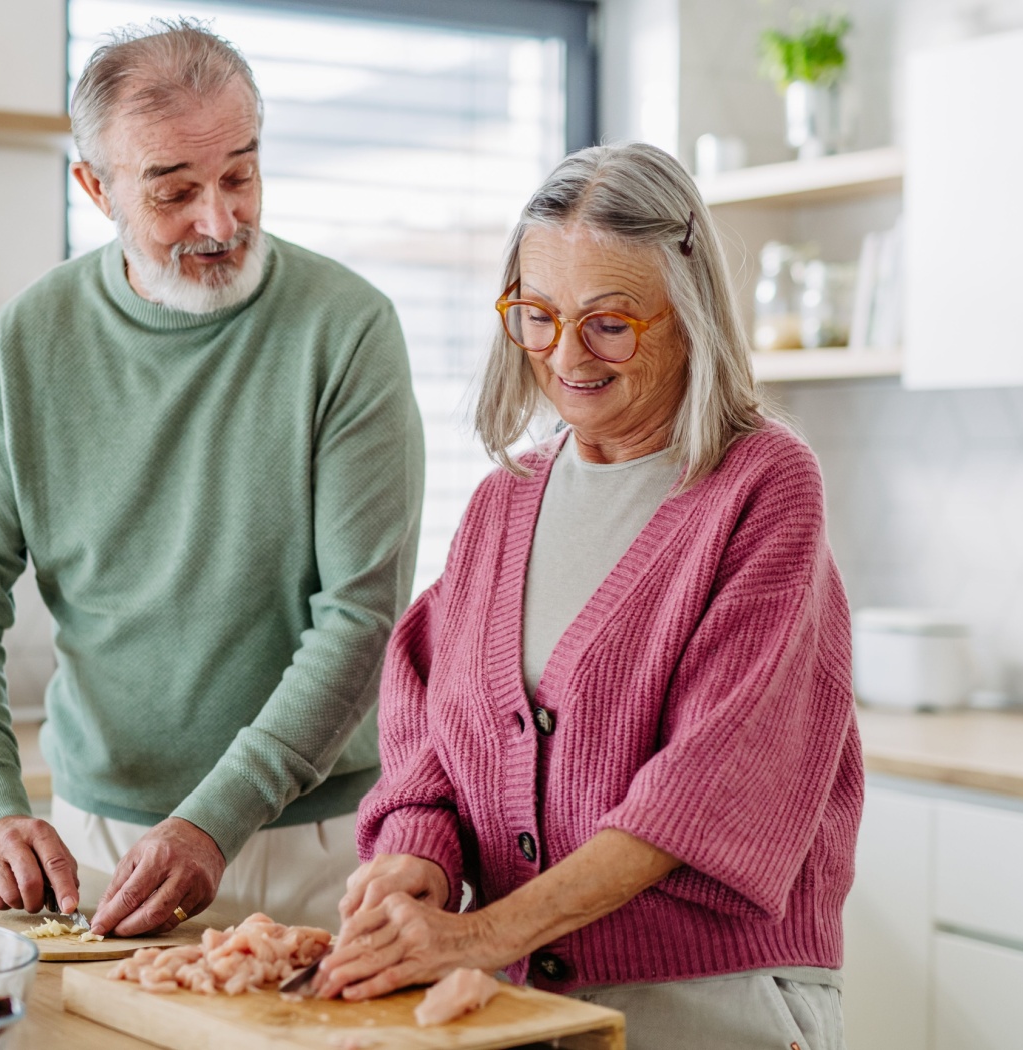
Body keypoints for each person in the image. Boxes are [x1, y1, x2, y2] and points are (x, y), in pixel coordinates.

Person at [314, 142, 861, 1050]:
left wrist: (479, 934)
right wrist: (418, 856)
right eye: (537, 315)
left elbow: (706, 787)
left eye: (610, 323)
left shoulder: (762, 487)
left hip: (716, 1005)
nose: (566, 355)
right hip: (528, 1009)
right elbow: (433, 733)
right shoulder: (503, 502)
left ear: (689, 315)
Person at [0, 19, 424, 938]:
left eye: (239, 175)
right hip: (100, 841)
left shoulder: (347, 330)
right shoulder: (27, 344)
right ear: (95, 188)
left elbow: (360, 618)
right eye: (176, 191)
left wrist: (212, 822)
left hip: (321, 844)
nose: (219, 221)